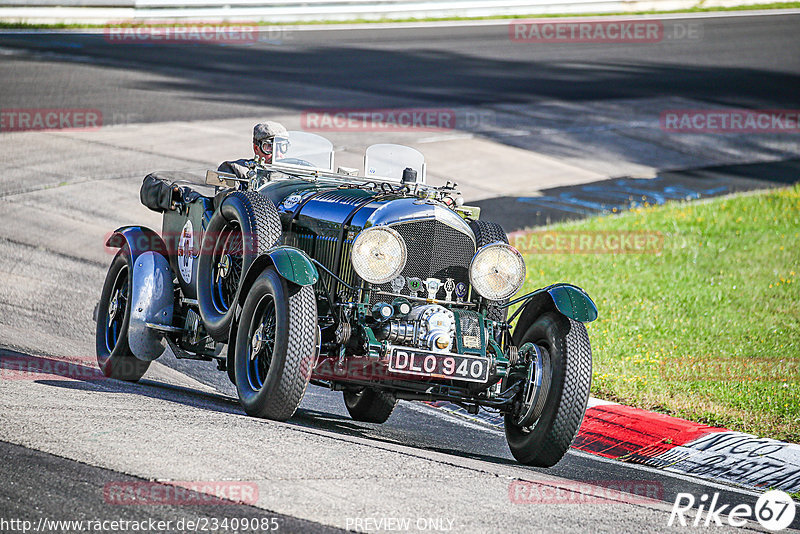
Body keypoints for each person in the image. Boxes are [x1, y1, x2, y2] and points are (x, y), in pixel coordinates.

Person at [217, 121, 288, 179]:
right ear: (256, 149)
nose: (278, 154)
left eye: (282, 146)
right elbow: (228, 196)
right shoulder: (235, 170)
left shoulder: (293, 174)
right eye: (269, 147)